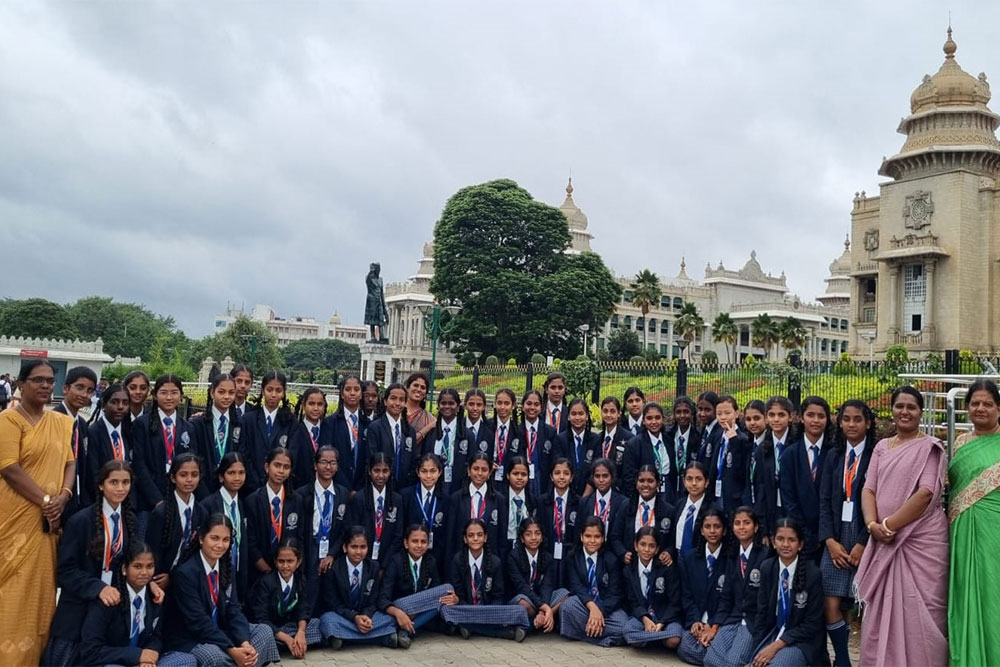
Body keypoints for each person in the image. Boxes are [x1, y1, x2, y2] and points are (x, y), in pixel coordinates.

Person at [856, 386, 949, 667]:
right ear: (892, 410)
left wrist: (887, 525)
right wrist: (872, 525)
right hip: (883, 540)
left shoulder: (931, 447)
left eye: (911, 407)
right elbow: (868, 489)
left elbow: (926, 493)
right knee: (881, 612)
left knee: (925, 614)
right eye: (900, 406)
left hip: (922, 542)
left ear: (921, 412)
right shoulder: (882, 447)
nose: (905, 412)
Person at [0, 360, 76, 667]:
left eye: (49, 380)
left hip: (48, 523)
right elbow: (9, 468)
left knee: (40, 595)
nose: (45, 385)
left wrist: (64, 496)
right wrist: (46, 500)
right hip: (15, 520)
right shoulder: (8, 420)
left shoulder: (59, 422)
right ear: (21, 384)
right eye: (38, 380)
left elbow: (70, 462)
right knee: (12, 592)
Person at [44, 461, 138, 665]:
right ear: (101, 485)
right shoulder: (80, 521)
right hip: (79, 607)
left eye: (126, 482)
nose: (120, 488)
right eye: (114, 482)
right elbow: (65, 571)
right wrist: (98, 588)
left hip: (112, 608)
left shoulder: (131, 521)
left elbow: (133, 562)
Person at [161, 514, 278, 666]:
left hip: (221, 631)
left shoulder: (226, 568)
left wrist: (244, 643)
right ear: (201, 539)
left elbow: (234, 610)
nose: (220, 545)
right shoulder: (186, 573)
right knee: (214, 656)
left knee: (265, 631)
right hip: (192, 638)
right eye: (214, 538)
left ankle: (243, 660)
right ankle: (241, 661)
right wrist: (231, 650)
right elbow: (198, 622)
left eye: (225, 540)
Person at [819, 399, 876, 667]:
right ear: (839, 423)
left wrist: (864, 542)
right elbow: (824, 501)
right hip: (836, 535)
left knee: (857, 603)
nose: (851, 424)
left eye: (857, 419)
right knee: (829, 600)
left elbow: (881, 501)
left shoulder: (876, 455)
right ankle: (842, 659)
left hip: (864, 533)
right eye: (846, 419)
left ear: (868, 423)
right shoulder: (833, 455)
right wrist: (829, 540)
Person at [77, 542, 197, 667]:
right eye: (137, 566)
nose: (144, 572)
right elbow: (90, 651)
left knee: (187, 660)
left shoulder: (155, 597)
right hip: (113, 662)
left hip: (143, 661)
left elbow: (156, 636)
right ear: (124, 569)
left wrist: (149, 655)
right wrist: (136, 655)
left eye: (150, 566)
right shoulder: (108, 599)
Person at [950, 379, 1000, 665]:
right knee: (966, 595)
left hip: (995, 535)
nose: (980, 408)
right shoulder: (960, 443)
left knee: (994, 596)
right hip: (963, 535)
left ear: (998, 409)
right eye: (975, 403)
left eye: (987, 404)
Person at [747, 518, 824, 667]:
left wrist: (778, 645)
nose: (786, 545)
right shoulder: (767, 568)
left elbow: (812, 624)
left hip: (800, 641)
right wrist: (753, 655)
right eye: (780, 539)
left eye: (792, 540)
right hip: (773, 634)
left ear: (800, 544)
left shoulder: (813, 574)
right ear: (773, 542)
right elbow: (761, 615)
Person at [441, 518, 530, 641]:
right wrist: (460, 603)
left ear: (485, 537)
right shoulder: (457, 560)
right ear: (465, 539)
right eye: (471, 535)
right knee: (445, 610)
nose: (475, 538)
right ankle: (499, 632)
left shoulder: (495, 562)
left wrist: (486, 612)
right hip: (465, 608)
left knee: (518, 610)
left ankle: (468, 627)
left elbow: (498, 596)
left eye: (479, 535)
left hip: (488, 610)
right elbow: (459, 594)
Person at [703, 506, 768, 667]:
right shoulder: (732, 556)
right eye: (737, 523)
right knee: (708, 659)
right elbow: (726, 596)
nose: (741, 527)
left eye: (747, 523)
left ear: (756, 527)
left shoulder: (766, 556)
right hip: (733, 618)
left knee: (732, 662)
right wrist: (715, 626)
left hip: (753, 623)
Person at [377, 523, 458, 648]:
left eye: (423, 542)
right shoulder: (395, 561)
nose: (419, 546)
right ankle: (408, 628)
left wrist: (454, 599)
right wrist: (398, 613)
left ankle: (405, 631)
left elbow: (435, 593)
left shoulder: (431, 561)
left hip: (421, 608)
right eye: (415, 541)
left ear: (428, 544)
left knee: (445, 593)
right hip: (400, 608)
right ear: (406, 543)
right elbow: (383, 598)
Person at [317, 527, 398, 648]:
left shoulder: (373, 567)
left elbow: (373, 601)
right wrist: (354, 617)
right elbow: (333, 603)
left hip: (364, 615)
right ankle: (380, 638)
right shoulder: (334, 569)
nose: (358, 552)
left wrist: (365, 616)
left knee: (389, 619)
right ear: (345, 547)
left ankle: (344, 638)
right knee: (327, 620)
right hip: (343, 616)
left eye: (363, 547)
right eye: (354, 547)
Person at [558, 515, 629, 646]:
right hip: (584, 605)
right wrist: (592, 607)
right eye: (588, 536)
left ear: (603, 538)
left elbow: (615, 594)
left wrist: (600, 611)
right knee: (567, 607)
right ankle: (602, 637)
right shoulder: (573, 557)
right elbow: (576, 587)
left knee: (624, 627)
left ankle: (586, 635)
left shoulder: (611, 559)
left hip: (606, 609)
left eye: (597, 537)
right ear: (581, 537)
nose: (592, 541)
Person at [247, 537, 323, 657]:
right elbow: (260, 618)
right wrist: (286, 639)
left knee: (318, 624)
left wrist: (301, 633)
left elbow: (303, 609)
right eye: (281, 561)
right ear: (275, 561)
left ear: (298, 562)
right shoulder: (266, 582)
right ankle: (289, 644)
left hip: (288, 627)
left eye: (290, 561)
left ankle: (294, 643)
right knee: (263, 634)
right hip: (271, 629)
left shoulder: (300, 579)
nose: (285, 566)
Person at [779, 396, 834, 560]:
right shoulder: (789, 454)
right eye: (810, 415)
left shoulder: (835, 453)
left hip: (830, 535)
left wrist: (825, 534)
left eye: (821, 416)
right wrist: (805, 534)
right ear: (802, 418)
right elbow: (788, 499)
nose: (815, 420)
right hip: (801, 536)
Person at [245, 447, 303, 591]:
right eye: (277, 465)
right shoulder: (252, 500)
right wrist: (268, 571)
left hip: (288, 570)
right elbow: (251, 542)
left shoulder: (296, 500)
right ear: (267, 467)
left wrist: (290, 566)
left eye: (286, 467)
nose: (281, 471)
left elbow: (300, 536)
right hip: (260, 571)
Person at [677, 507, 729, 665]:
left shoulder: (731, 559)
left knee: (721, 644)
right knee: (685, 648)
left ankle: (714, 655)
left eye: (717, 526)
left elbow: (729, 599)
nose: (712, 531)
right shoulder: (689, 558)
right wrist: (695, 620)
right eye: (707, 527)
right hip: (697, 619)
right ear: (701, 530)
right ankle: (713, 656)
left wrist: (712, 624)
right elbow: (686, 595)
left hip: (719, 621)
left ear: (724, 530)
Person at [147, 453, 206, 586]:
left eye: (194, 475)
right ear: (173, 478)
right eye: (183, 475)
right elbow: (153, 552)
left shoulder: (202, 512)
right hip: (160, 580)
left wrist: (174, 577)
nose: (189, 480)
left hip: (188, 578)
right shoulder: (161, 512)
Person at [621, 526, 684, 649]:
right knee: (628, 632)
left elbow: (675, 602)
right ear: (635, 546)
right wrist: (645, 619)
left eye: (651, 546)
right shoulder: (629, 570)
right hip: (642, 618)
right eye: (642, 544)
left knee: (674, 639)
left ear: (657, 549)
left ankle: (651, 637)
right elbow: (632, 602)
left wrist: (661, 623)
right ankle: (657, 638)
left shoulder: (666, 568)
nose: (646, 549)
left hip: (665, 618)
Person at [199, 452, 250, 603]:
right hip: (216, 567)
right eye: (231, 473)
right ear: (221, 477)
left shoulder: (243, 504)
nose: (237, 478)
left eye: (241, 473)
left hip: (239, 566)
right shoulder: (208, 504)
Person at [506, 517, 569, 634]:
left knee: (564, 594)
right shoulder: (513, 557)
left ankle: (538, 620)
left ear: (542, 537)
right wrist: (544, 607)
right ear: (522, 538)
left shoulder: (548, 557)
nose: (533, 537)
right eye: (528, 534)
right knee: (523, 603)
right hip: (524, 598)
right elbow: (521, 587)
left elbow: (547, 586)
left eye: (537, 533)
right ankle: (542, 620)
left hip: (542, 599)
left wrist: (542, 610)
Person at [238, 371, 296, 494]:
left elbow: (292, 453)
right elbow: (243, 452)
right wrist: (254, 479)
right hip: (250, 486)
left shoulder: (291, 421)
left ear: (284, 392)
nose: (273, 395)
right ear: (263, 390)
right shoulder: (248, 419)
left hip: (279, 486)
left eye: (278, 390)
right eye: (269, 390)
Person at [54, 365, 98, 514]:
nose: (84, 394)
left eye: (90, 391)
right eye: (79, 388)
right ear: (66, 388)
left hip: (78, 498)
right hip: (56, 497)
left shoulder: (82, 424)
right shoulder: (52, 420)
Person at [190, 373, 241, 495]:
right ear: (212, 393)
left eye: (231, 392)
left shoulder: (239, 424)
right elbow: (194, 458)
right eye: (221, 392)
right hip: (203, 488)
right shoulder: (197, 424)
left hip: (232, 487)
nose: (227, 397)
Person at [349, 452, 402, 568]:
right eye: (376, 470)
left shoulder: (397, 500)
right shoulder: (359, 498)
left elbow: (398, 536)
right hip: (363, 560)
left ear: (390, 472)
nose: (381, 475)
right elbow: (355, 531)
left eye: (385, 471)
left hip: (388, 560)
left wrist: (384, 565)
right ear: (369, 471)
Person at [319, 375, 368, 495]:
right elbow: (327, 456)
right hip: (337, 487)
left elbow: (369, 458)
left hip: (362, 491)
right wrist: (345, 488)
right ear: (341, 394)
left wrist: (359, 489)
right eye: (348, 389)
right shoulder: (330, 423)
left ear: (361, 394)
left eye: (356, 389)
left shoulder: (368, 424)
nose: (352, 393)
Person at [366, 383, 418, 488]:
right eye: (393, 398)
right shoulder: (375, 427)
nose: (397, 403)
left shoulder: (410, 431)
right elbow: (371, 459)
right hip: (381, 486)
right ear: (385, 401)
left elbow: (413, 460)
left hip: (404, 487)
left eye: (401, 400)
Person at [509, 390, 557, 497]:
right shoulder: (515, 431)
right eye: (529, 403)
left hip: (542, 480)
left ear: (542, 407)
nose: (532, 407)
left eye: (536, 404)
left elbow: (553, 461)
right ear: (523, 406)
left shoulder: (550, 432)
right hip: (520, 479)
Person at [555, 398, 599, 498]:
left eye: (581, 413)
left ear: (587, 416)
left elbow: (596, 469)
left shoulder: (595, 440)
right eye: (574, 414)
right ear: (568, 417)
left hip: (589, 495)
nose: (577, 417)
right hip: (566, 494)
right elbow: (559, 467)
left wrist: (585, 497)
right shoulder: (560, 439)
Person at [403, 373, 435, 446]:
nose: (419, 389)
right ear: (407, 388)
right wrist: (426, 429)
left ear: (426, 393)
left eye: (423, 388)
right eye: (415, 385)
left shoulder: (429, 419)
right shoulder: (396, 411)